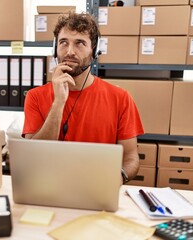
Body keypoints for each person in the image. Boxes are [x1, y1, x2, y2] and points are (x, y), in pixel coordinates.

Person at [22, 12, 144, 184]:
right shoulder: (35, 97)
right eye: (63, 43)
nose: (70, 52)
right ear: (55, 49)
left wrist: (118, 177)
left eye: (79, 43)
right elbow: (33, 156)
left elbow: (131, 157)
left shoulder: (120, 98)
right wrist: (58, 103)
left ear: (94, 51)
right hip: (48, 187)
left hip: (98, 188)